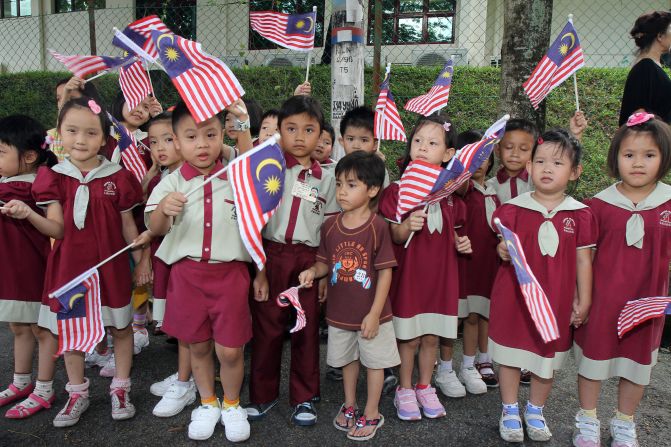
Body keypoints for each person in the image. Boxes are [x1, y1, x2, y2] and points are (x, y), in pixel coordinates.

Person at [4, 97, 147, 426]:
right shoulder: (53, 177)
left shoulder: (119, 178)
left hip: (111, 268)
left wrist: (141, 261)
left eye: (90, 133)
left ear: (104, 138)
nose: (80, 140)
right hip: (70, 271)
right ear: (59, 134)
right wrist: (27, 213)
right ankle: (77, 393)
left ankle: (121, 388)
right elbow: (56, 228)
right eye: (71, 131)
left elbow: (129, 226)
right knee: (72, 334)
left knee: (121, 327)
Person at [145, 100, 252, 442]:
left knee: (231, 349)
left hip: (230, 275)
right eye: (190, 136)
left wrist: (243, 119)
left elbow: (256, 160)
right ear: (176, 141)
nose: (202, 144)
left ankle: (232, 404)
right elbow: (155, 226)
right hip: (187, 277)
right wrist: (164, 209)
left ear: (224, 134)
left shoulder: (236, 168)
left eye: (210, 134)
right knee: (198, 345)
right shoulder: (170, 182)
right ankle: (207, 402)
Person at [490, 129, 596, 443]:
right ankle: (509, 408)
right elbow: (502, 247)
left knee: (546, 360)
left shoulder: (581, 215)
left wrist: (584, 299)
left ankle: (535, 408)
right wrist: (501, 250)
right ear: (529, 167)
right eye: (540, 161)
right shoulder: (512, 210)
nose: (547, 168)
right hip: (514, 297)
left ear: (575, 172)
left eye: (558, 163)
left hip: (556, 300)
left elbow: (583, 262)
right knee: (510, 355)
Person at [572, 113, 671, 447]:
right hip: (603, 300)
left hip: (647, 301)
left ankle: (624, 422)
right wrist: (580, 298)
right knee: (593, 362)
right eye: (629, 155)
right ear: (616, 158)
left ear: (664, 158)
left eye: (649, 155)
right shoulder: (597, 205)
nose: (638, 163)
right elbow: (583, 257)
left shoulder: (668, 203)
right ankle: (587, 418)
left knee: (637, 365)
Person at [247, 95, 339, 426]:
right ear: (279, 133)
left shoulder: (327, 179)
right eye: (291, 129)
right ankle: (262, 395)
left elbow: (329, 232)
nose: (300, 137)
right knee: (267, 328)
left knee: (306, 329)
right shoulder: (267, 169)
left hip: (308, 263)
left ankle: (304, 398)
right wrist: (259, 272)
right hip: (270, 256)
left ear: (321, 135)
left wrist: (323, 273)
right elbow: (254, 223)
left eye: (309, 129)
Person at [299, 151, 399, 441]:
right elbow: (324, 263)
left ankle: (371, 412)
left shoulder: (378, 226)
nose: (342, 190)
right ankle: (351, 405)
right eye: (340, 183)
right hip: (340, 313)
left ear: (372, 189)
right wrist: (312, 272)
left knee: (376, 363)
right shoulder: (330, 225)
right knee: (347, 362)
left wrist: (375, 312)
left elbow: (385, 272)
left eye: (351, 184)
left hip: (372, 315)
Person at [379, 113, 472, 421]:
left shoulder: (450, 198)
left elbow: (456, 232)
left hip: (442, 279)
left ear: (447, 154)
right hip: (411, 278)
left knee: (432, 336)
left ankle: (425, 385)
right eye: (417, 141)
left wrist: (462, 242)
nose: (422, 147)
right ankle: (405, 389)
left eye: (432, 143)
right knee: (409, 337)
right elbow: (393, 234)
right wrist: (406, 226)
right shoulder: (398, 191)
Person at [0, 116, 58, 419]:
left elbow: (56, 227)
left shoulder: (36, 184)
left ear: (29, 156)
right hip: (12, 272)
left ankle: (45, 387)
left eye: (0, 152)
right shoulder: (7, 183)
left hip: (35, 270)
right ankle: (21, 381)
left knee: (42, 328)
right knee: (18, 326)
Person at [141, 112, 196, 419]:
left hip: (185, 262)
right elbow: (155, 225)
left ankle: (187, 382)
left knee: (188, 324)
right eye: (153, 141)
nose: (160, 147)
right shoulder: (164, 179)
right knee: (180, 322)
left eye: (167, 139)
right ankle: (184, 375)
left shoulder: (193, 179)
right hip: (167, 255)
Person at [454, 130, 501, 392]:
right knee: (471, 314)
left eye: (485, 157)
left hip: (491, 263)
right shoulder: (463, 191)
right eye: (474, 157)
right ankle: (468, 364)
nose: (480, 163)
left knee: (487, 313)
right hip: (468, 263)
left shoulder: (494, 190)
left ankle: (486, 359)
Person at [619, 11, 671, 125]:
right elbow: (638, 116)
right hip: (653, 140)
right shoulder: (645, 68)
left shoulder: (652, 66)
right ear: (660, 36)